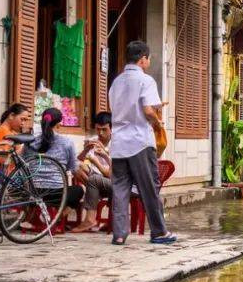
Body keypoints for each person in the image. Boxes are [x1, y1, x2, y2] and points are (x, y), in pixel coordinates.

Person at [108, 41, 176, 245]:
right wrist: (157, 123)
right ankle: (159, 232)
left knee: (120, 190)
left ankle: (119, 235)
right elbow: (148, 110)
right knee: (149, 188)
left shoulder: (116, 82)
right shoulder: (146, 81)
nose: (149, 61)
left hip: (119, 142)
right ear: (143, 59)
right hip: (139, 141)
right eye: (149, 58)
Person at [21, 107, 84, 211]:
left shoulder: (30, 142)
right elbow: (72, 168)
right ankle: (59, 217)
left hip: (32, 193)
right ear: (59, 124)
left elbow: (24, 164)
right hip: (57, 195)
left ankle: (37, 217)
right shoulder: (67, 143)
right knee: (79, 190)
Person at [70, 112, 113, 233]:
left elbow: (110, 174)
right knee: (76, 167)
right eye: (98, 129)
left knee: (93, 181)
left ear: (111, 129)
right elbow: (78, 160)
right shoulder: (93, 140)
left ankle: (90, 217)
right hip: (96, 178)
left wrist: (103, 155)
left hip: (111, 179)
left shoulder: (116, 143)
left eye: (104, 129)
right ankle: (94, 192)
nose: (100, 133)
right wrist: (85, 150)